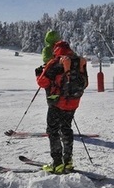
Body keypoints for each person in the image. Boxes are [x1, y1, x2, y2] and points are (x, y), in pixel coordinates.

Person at [35, 41, 88, 173]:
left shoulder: (55, 62)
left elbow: (42, 82)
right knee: (66, 129)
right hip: (73, 102)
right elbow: (85, 83)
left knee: (53, 130)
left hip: (57, 103)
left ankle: (57, 163)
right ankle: (68, 161)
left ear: (56, 50)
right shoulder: (78, 61)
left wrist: (38, 73)